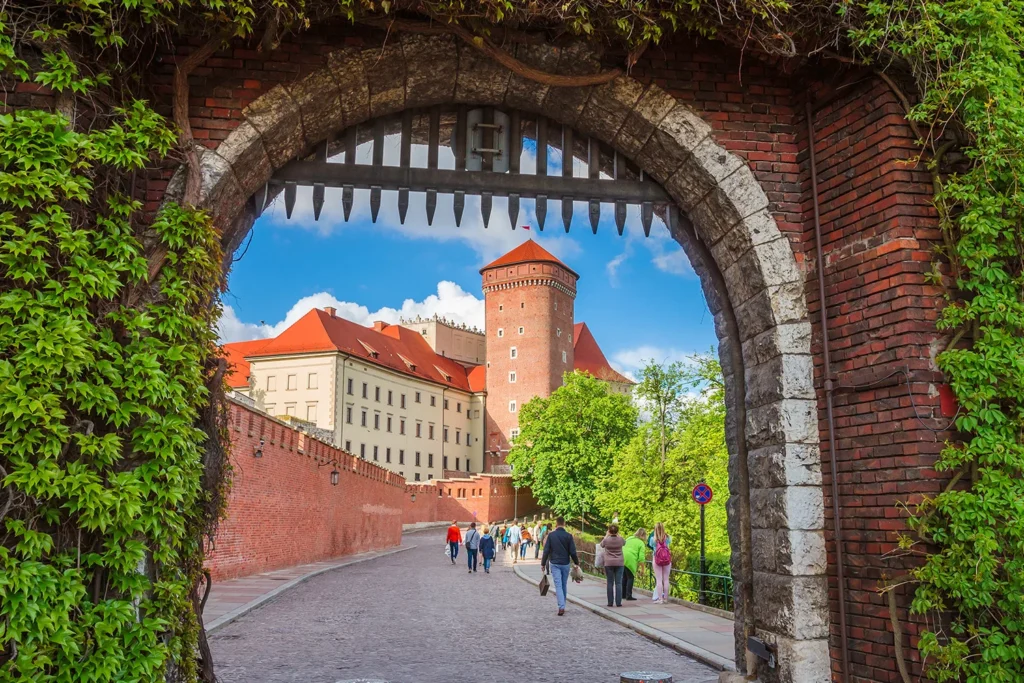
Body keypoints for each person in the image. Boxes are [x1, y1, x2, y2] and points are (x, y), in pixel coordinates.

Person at [540, 517, 580, 616]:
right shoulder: (568, 536)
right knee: (563, 584)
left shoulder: (551, 535)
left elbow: (546, 550)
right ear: (564, 524)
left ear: (556, 524)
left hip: (554, 563)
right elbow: (573, 552)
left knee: (558, 585)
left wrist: (543, 563)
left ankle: (561, 606)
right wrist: (576, 563)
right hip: (565, 563)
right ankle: (563, 605)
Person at [600, 523, 626, 607]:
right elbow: (624, 543)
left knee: (610, 582)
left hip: (608, 563)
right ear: (617, 531)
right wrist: (618, 535)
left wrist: (606, 535)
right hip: (619, 562)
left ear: (609, 531)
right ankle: (618, 602)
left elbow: (601, 545)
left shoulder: (606, 540)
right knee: (618, 583)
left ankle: (610, 602)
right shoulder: (620, 539)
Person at [622, 528, 647, 602]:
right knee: (630, 577)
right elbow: (641, 558)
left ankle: (622, 594)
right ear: (643, 535)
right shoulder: (641, 543)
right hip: (631, 559)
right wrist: (642, 569)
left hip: (622, 558)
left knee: (624, 577)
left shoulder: (629, 538)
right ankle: (628, 595)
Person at [651, 522, 672, 603]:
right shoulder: (668, 537)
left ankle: (660, 599)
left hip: (657, 559)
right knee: (666, 579)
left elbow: (652, 547)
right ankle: (666, 598)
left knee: (659, 580)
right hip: (667, 559)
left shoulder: (653, 539)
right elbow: (669, 545)